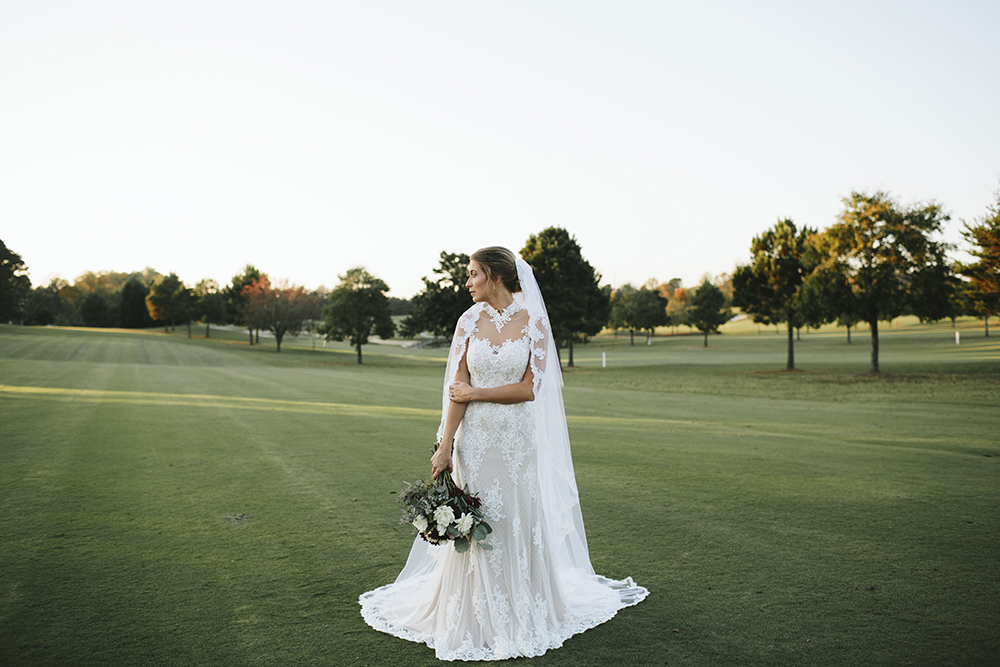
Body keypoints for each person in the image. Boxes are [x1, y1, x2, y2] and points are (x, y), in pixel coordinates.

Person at [359, 246, 647, 661]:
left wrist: (478, 392)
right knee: (479, 521)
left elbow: (531, 388)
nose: (467, 282)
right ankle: (474, 614)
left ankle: (525, 609)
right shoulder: (468, 321)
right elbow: (455, 390)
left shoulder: (535, 323)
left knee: (516, 520)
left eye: (473, 274)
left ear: (494, 276)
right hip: (474, 443)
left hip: (517, 443)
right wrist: (445, 447)